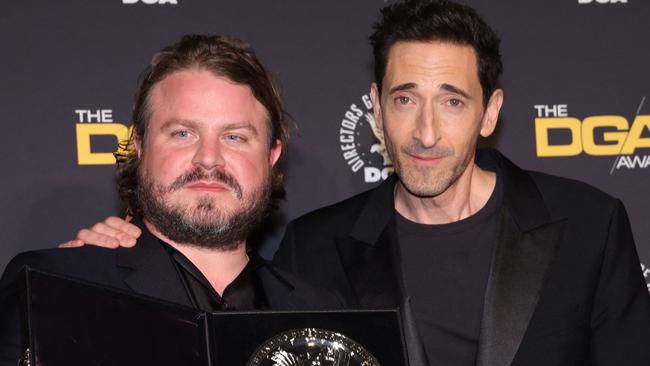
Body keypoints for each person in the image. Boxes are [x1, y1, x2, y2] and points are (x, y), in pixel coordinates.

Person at [55, 1, 650, 365]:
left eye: (452, 101)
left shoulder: (589, 226)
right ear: (375, 107)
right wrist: (127, 250)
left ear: (491, 112)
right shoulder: (312, 249)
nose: (424, 131)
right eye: (403, 99)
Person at [0, 34, 342, 366]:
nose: (209, 158)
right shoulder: (55, 290)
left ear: (271, 156)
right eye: (183, 133)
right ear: (140, 146)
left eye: (235, 136)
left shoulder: (327, 315)